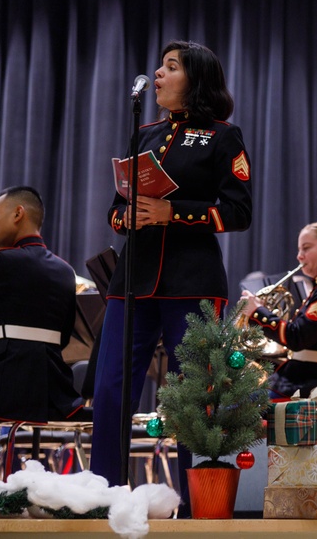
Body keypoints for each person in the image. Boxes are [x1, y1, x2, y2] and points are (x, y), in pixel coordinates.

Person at [91, 41, 253, 503]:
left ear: (196, 79)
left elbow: (238, 212)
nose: (158, 74)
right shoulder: (142, 133)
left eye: (171, 66)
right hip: (132, 280)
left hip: (192, 281)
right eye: (159, 66)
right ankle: (103, 497)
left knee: (192, 402)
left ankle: (198, 506)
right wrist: (130, 217)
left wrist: (172, 212)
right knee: (109, 389)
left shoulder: (223, 135)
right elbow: (115, 212)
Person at [0, 186, 83, 423]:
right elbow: (65, 336)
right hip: (54, 388)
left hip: (6, 380)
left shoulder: (3, 261)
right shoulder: (66, 271)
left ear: (18, 213)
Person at [240, 221, 317, 399]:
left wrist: (257, 312)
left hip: (310, 386)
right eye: (299, 250)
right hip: (302, 379)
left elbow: (296, 338)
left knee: (231, 412)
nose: (299, 256)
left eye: (306, 248)